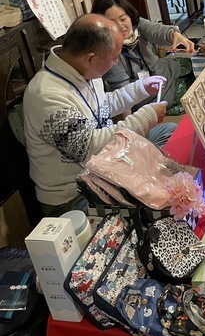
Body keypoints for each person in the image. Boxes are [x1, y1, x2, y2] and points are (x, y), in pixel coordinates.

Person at [23, 13, 172, 217]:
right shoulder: (47, 96)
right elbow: (91, 149)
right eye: (114, 57)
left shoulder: (83, 69)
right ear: (91, 59)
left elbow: (102, 106)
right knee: (152, 204)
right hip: (75, 195)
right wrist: (145, 117)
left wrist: (140, 89)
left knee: (169, 132)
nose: (116, 62)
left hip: (108, 167)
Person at [91, 0, 195, 115]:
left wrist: (174, 34)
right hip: (152, 97)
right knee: (193, 95)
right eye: (112, 22)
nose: (120, 25)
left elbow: (155, 30)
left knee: (196, 68)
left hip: (165, 73)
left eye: (123, 19)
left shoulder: (136, 26)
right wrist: (131, 123)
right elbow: (122, 94)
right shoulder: (109, 52)